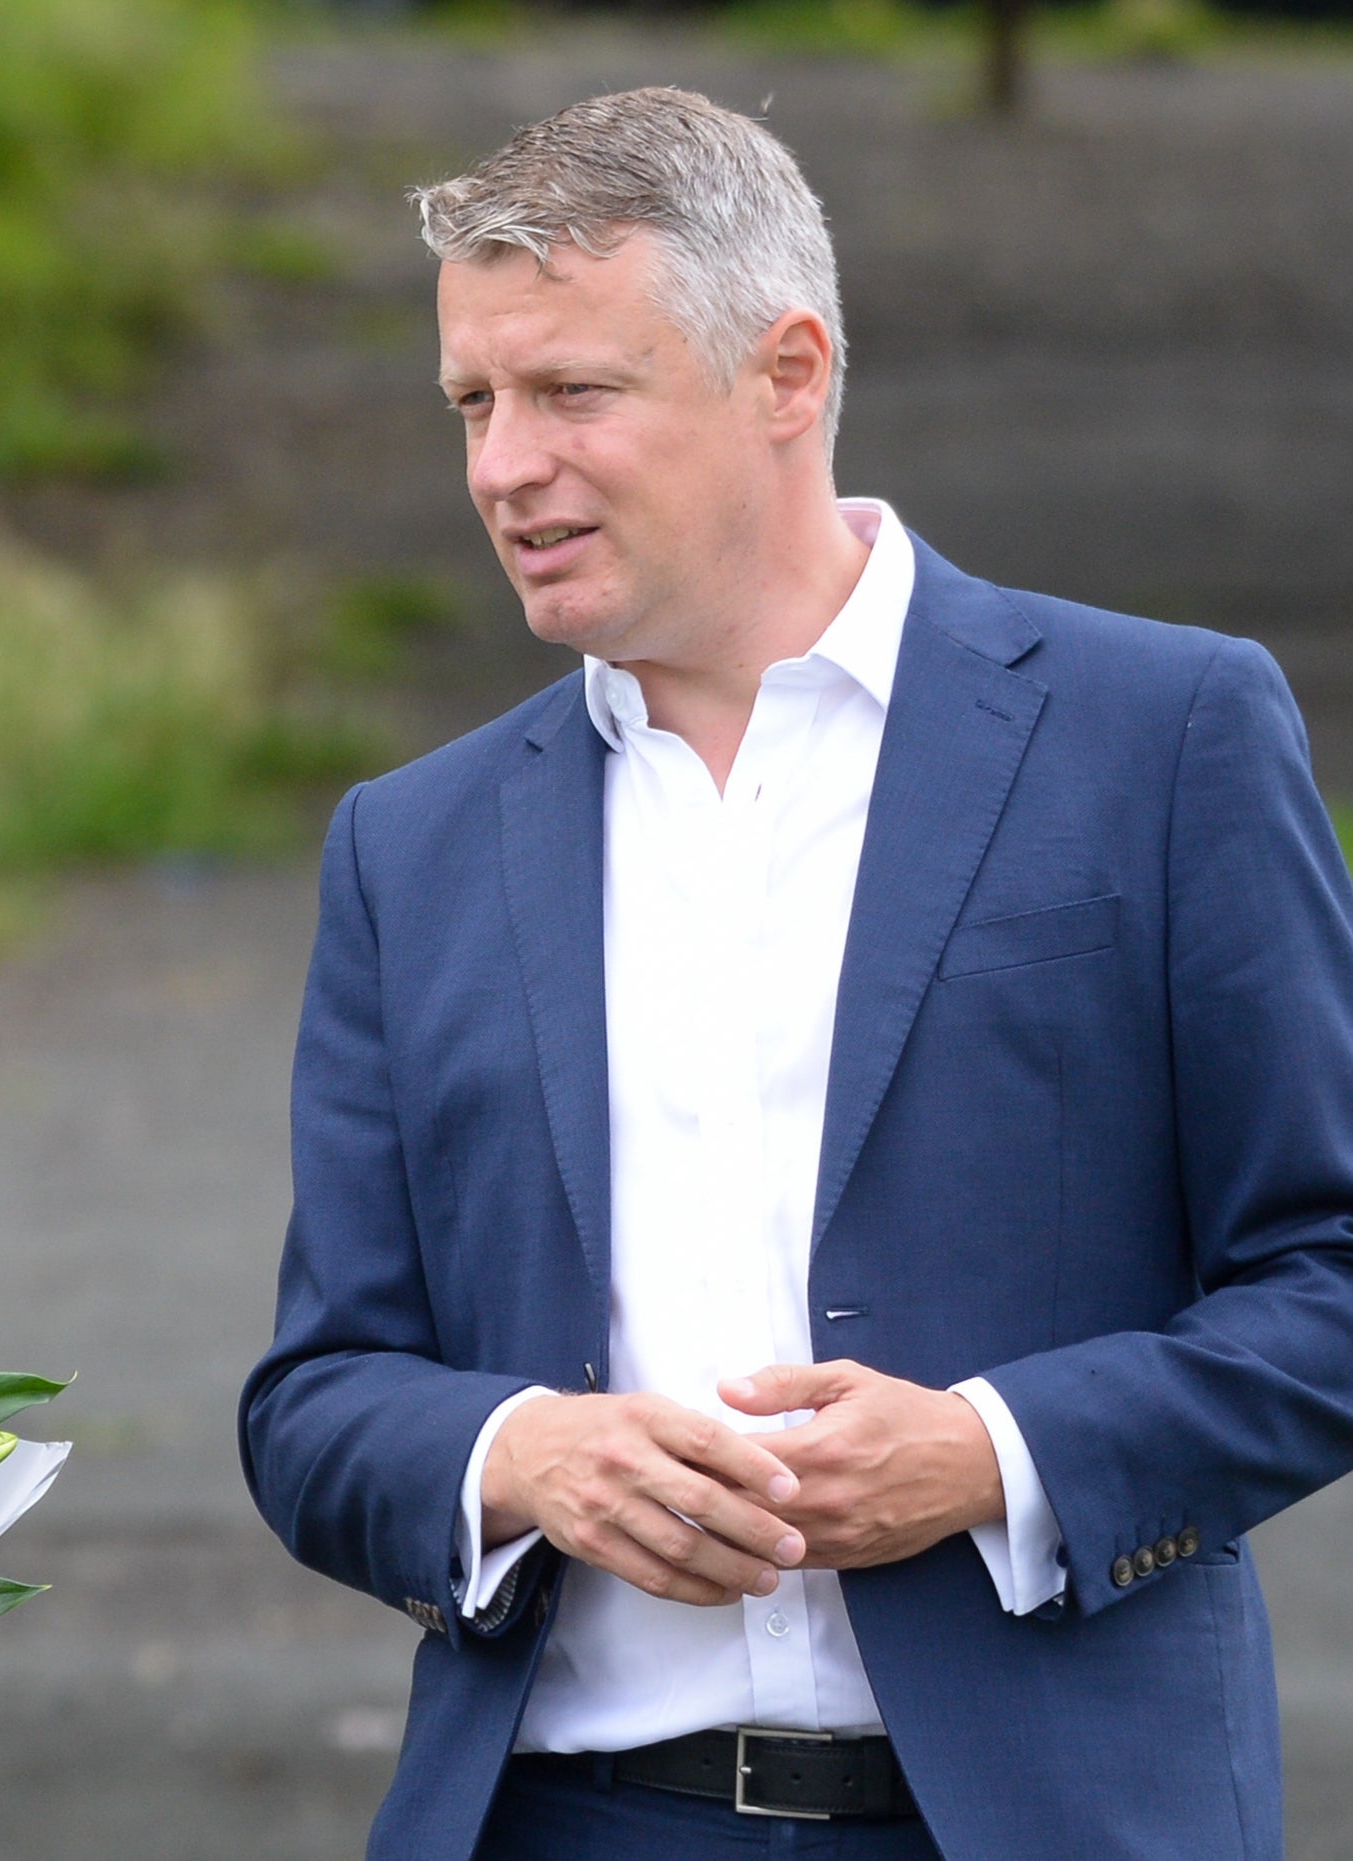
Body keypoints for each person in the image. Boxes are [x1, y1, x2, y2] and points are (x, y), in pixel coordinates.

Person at [238, 86, 1353, 1860]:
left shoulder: (1162, 737)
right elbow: (314, 1402)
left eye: (569, 393)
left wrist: (993, 1455)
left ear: (784, 373)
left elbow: (1325, 1278)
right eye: (470, 401)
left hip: (1041, 1822)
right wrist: (518, 1456)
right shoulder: (410, 841)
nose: (498, 466)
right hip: (561, 1822)